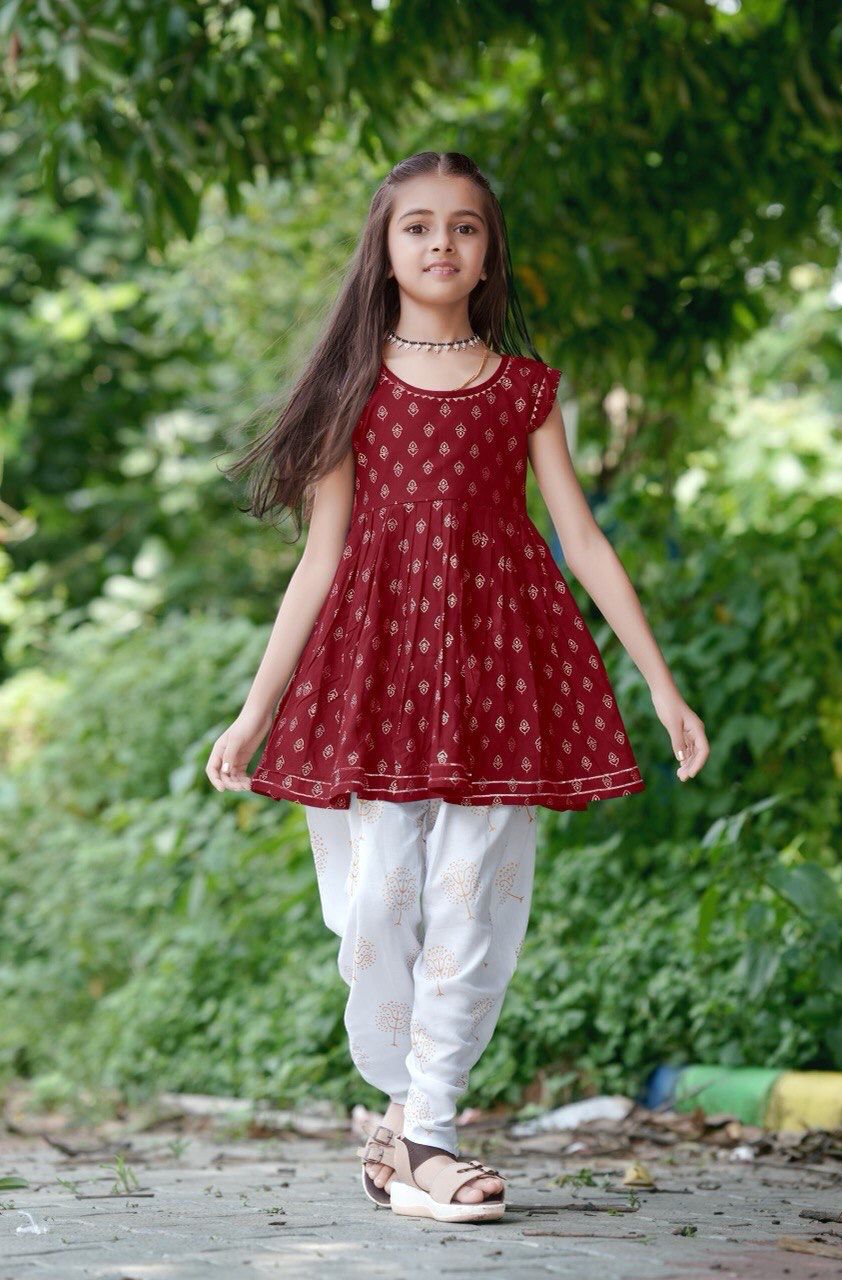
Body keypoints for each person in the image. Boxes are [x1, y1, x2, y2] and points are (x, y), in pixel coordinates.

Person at [205, 150, 709, 1222]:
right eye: (418, 226)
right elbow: (322, 558)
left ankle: (426, 1129)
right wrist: (255, 711)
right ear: (385, 251)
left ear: (488, 255)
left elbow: (580, 538)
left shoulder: (522, 386)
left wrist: (661, 684)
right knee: (381, 902)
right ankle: (399, 1115)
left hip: (503, 667)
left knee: (477, 893)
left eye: (465, 227)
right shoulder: (356, 387)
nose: (442, 243)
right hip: (379, 671)